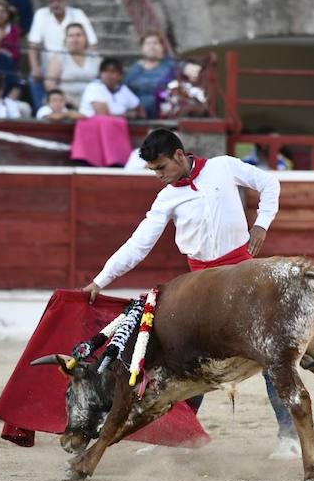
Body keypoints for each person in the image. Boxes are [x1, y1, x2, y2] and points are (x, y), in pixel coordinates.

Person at [81, 128, 300, 459]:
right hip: (201, 286)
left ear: (179, 156)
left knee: (272, 353)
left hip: (242, 277)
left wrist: (261, 223)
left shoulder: (223, 167)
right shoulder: (167, 197)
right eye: (154, 171)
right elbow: (138, 244)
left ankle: (291, 437)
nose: (159, 177)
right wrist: (101, 280)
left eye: (161, 168)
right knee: (185, 360)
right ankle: (175, 436)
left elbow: (269, 183)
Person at [27, 0, 97, 109]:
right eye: (51, 1)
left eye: (59, 0)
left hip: (74, 60)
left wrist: (92, 62)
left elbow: (92, 42)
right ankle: (42, 110)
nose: (55, 4)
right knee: (34, 78)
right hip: (49, 65)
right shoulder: (41, 14)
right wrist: (35, 67)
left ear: (65, 0)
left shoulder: (77, 14)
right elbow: (33, 44)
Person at [44, 23, 99, 109]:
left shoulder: (95, 58)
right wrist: (68, 101)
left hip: (93, 103)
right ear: (65, 40)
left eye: (78, 35)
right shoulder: (58, 58)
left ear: (85, 38)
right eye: (71, 36)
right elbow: (49, 84)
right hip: (65, 105)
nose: (75, 39)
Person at [123, 30, 175, 119]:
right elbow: (125, 90)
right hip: (138, 110)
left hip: (164, 109)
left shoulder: (170, 65)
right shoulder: (134, 69)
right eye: (147, 43)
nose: (152, 46)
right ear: (142, 48)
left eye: (155, 43)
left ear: (162, 47)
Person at [78, 57, 143, 118]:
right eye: (105, 71)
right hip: (93, 126)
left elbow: (141, 112)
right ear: (100, 74)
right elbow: (103, 115)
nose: (108, 75)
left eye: (112, 71)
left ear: (120, 75)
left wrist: (136, 114)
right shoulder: (94, 87)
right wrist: (127, 115)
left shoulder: (123, 89)